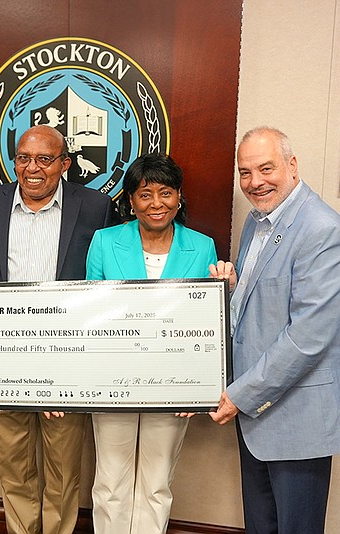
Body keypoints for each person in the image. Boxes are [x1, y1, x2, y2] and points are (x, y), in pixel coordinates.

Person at [209, 127, 340, 534]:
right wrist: (233, 291)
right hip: (258, 413)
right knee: (262, 527)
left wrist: (239, 396)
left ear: (292, 166)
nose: (255, 182)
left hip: (298, 417)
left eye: (266, 168)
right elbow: (267, 306)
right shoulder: (258, 223)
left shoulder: (322, 231)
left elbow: (307, 338)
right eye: (245, 172)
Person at [0, 125, 118, 534]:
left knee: (63, 466)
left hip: (66, 362)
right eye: (24, 158)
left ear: (65, 164)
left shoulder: (95, 207)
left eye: (45, 159)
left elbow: (103, 289)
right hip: (4, 358)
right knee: (13, 462)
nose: (32, 169)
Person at [85, 153, 221, 533]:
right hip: (112, 381)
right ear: (130, 201)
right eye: (145, 194)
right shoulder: (104, 241)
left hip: (172, 386)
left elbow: (206, 321)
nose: (156, 203)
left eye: (165, 193)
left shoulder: (203, 246)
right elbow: (89, 313)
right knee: (110, 483)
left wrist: (195, 387)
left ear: (179, 197)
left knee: (157, 484)